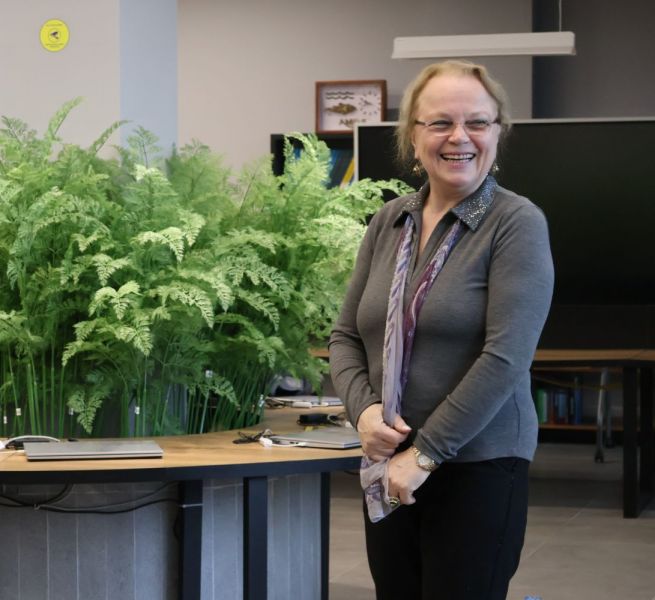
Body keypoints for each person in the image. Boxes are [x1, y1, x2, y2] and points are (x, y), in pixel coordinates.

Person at [328, 59, 554, 600]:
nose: (460, 137)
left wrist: (424, 454)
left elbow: (506, 357)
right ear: (413, 136)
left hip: (477, 464)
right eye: (441, 123)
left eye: (477, 122)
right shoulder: (389, 221)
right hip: (387, 462)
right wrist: (364, 413)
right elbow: (345, 336)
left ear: (497, 133)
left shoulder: (516, 223)